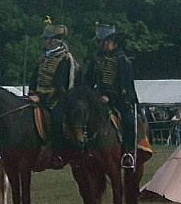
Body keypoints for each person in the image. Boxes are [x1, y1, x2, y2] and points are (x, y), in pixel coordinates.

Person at [85, 23, 139, 168]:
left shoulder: (122, 60)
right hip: (98, 99)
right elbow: (88, 80)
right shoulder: (96, 59)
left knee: (128, 121)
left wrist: (110, 97)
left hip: (120, 100)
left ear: (109, 41)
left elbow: (124, 85)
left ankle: (128, 152)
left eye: (100, 41)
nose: (98, 44)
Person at [28, 18, 78, 165]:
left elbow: (60, 85)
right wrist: (32, 93)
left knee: (56, 120)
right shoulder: (43, 58)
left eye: (46, 39)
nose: (43, 41)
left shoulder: (65, 59)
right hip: (38, 97)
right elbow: (34, 78)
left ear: (55, 41)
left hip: (57, 98)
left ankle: (58, 154)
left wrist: (41, 97)